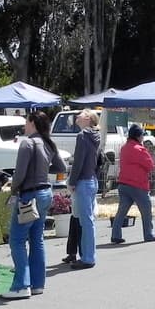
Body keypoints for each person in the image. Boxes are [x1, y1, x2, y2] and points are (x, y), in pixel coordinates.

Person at [4, 111, 66, 297]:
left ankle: (21, 286)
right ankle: (37, 284)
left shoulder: (28, 143)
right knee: (37, 239)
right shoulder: (48, 142)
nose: (24, 125)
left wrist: (12, 188)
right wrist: (44, 168)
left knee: (17, 240)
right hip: (45, 193)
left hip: (29, 195)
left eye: (26, 121)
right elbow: (61, 167)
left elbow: (20, 174)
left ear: (32, 122)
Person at [111, 124, 155, 244]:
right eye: (142, 136)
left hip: (123, 183)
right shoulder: (140, 149)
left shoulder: (124, 148)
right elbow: (150, 165)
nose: (143, 138)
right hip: (138, 184)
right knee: (146, 211)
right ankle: (148, 234)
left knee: (122, 211)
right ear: (138, 137)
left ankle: (115, 234)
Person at [64, 109, 101, 268]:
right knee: (88, 221)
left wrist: (71, 181)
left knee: (86, 222)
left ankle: (88, 258)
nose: (77, 116)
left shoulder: (82, 136)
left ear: (87, 118)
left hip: (84, 181)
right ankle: (87, 254)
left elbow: (78, 162)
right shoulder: (95, 135)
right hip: (92, 179)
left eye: (81, 114)